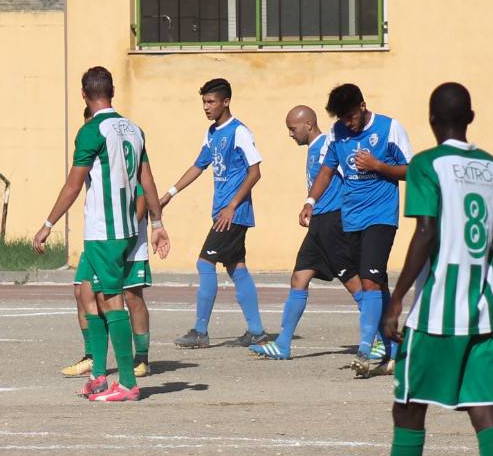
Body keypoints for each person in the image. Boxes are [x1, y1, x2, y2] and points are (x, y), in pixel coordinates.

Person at [336, 83, 493, 456]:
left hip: (438, 312)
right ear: (470, 116)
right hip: (484, 309)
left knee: (409, 408)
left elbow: (427, 230)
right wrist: (482, 273)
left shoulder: (427, 165)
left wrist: (395, 300)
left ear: (433, 120)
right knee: (484, 410)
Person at [35, 66, 169, 402]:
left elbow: (73, 184)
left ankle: (126, 383)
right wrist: (156, 223)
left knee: (112, 300)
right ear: (111, 91)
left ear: (84, 94)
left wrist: (48, 223)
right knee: (83, 291)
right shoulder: (134, 129)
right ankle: (98, 375)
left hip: (106, 232)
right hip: (119, 230)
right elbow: (148, 181)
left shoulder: (92, 131)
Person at [251, 106, 384, 360]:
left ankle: (378, 339)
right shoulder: (314, 149)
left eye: (293, 128)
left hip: (334, 224)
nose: (290, 134)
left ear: (308, 125)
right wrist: (310, 204)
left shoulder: (327, 146)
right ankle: (283, 344)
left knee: (353, 281)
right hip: (318, 225)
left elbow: (351, 177)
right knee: (298, 278)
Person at [298, 83, 413, 377]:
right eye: (342, 119)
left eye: (350, 117)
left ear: (362, 106)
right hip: (351, 218)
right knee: (377, 284)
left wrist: (378, 165)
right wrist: (311, 200)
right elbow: (326, 170)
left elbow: (412, 169)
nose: (347, 124)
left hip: (381, 216)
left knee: (370, 283)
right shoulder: (337, 133)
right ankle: (394, 354)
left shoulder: (389, 128)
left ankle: (364, 350)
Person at [160, 78, 268, 349]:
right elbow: (198, 166)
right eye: (204, 102)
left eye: (211, 102)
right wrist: (168, 195)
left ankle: (200, 331)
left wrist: (232, 206)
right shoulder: (211, 133)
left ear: (226, 101)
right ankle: (256, 331)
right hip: (222, 213)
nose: (206, 107)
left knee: (204, 264)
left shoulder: (239, 132)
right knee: (236, 267)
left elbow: (255, 172)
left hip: (232, 214)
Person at [62, 106, 154, 379]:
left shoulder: (121, 153)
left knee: (130, 297)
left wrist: (135, 230)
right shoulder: (95, 162)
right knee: (83, 291)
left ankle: (138, 362)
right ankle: (94, 359)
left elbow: (142, 193)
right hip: (98, 235)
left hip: (125, 237)